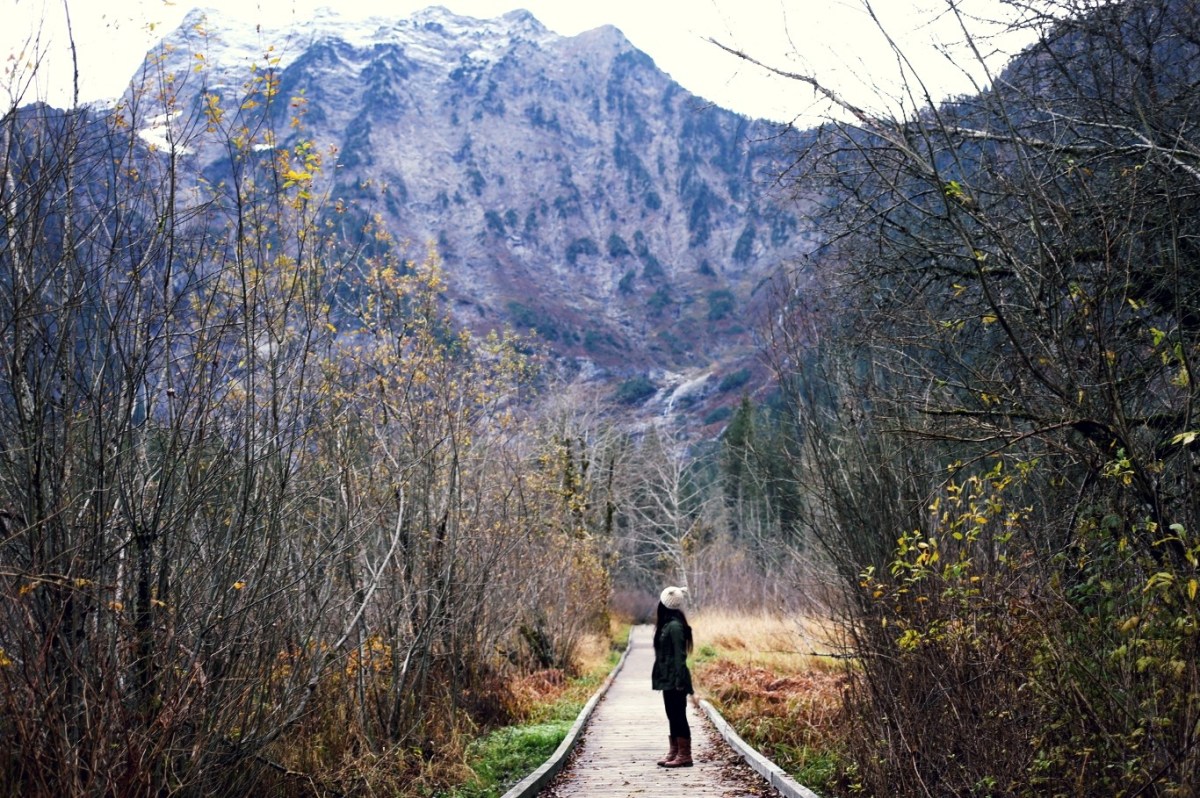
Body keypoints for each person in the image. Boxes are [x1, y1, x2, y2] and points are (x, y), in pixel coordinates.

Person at [651, 585, 694, 768]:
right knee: (672, 715)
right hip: (668, 679)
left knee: (678, 715)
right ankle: (675, 751)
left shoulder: (675, 627)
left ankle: (685, 755)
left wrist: (678, 681)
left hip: (676, 680)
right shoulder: (668, 624)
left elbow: (680, 656)